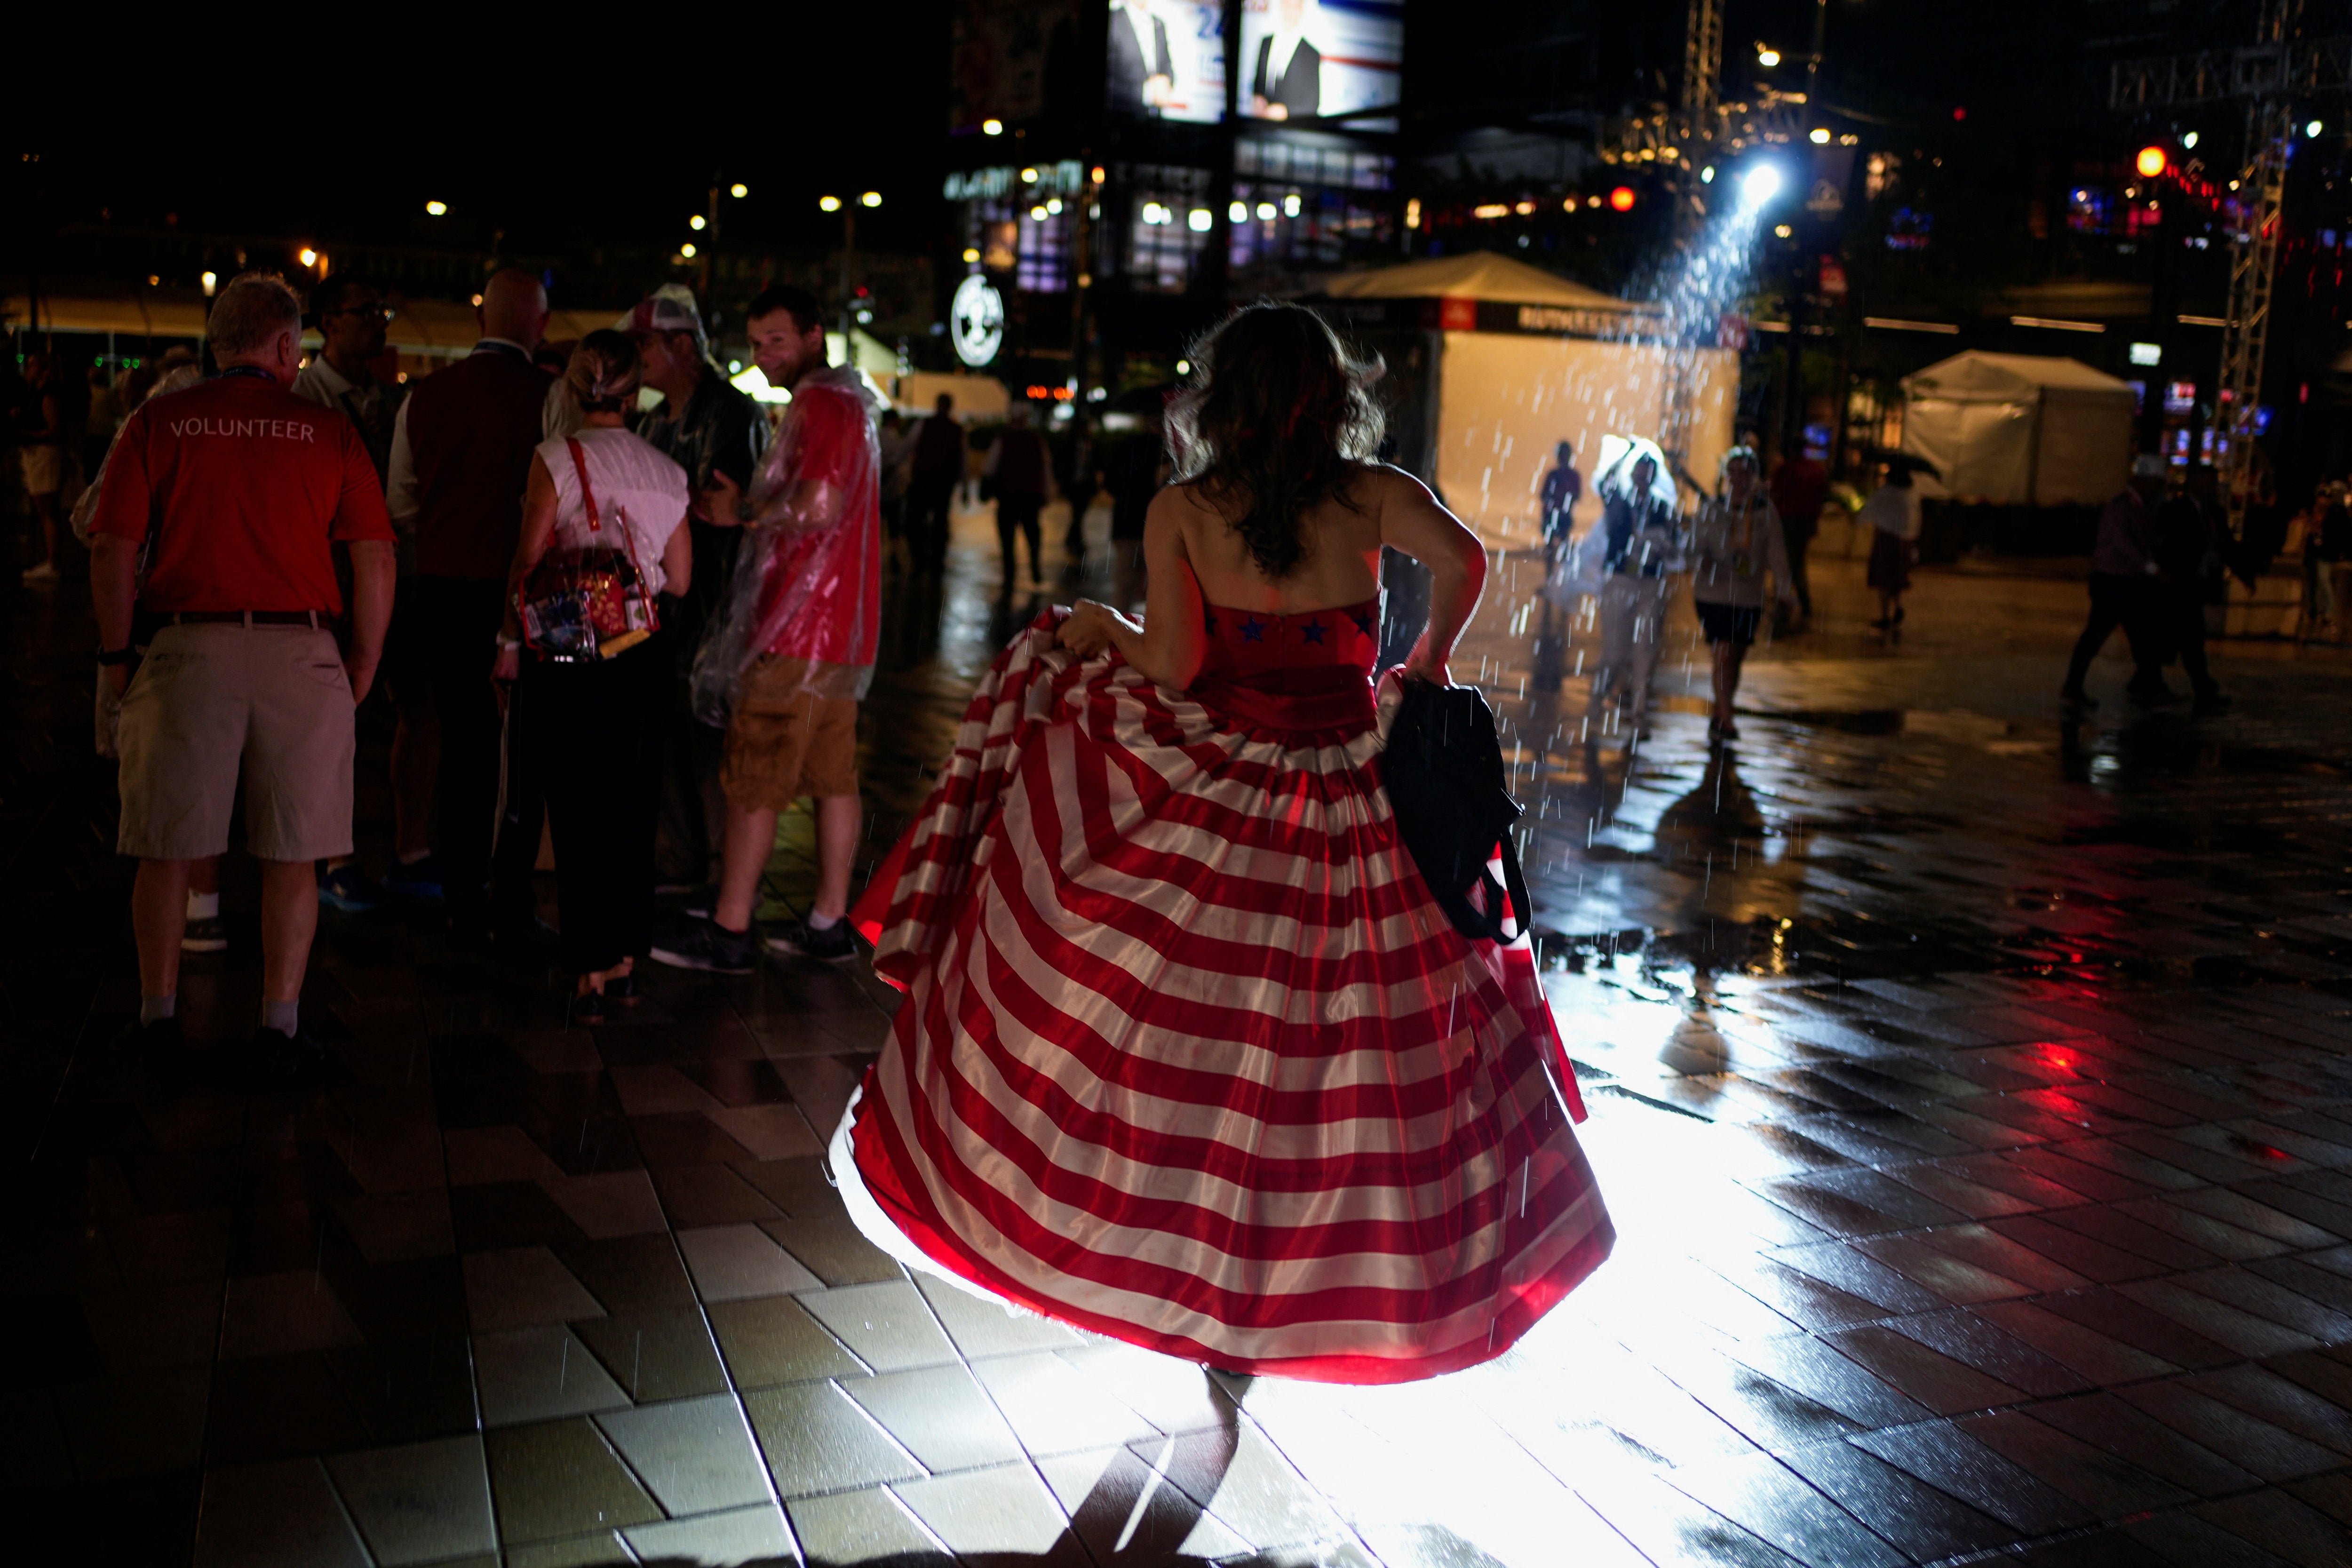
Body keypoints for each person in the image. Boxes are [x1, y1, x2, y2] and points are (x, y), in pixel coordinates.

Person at [833, 302, 1613, 1380]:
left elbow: (1173, 670)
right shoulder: (1372, 493)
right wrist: (1424, 662)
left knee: (1188, 1015)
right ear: (1332, 395)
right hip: (1350, 785)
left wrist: (1101, 630)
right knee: (1349, 1031)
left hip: (1228, 781)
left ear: (1223, 398)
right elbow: (1469, 559)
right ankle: (1316, 1263)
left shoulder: (1182, 511)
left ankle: (1179, 1241)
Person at [88, 272, 395, 1075]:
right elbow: (375, 553)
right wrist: (362, 656)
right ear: (288, 346)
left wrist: (117, 653)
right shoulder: (328, 432)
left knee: (165, 847)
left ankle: (157, 1018)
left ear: (216, 345)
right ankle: (280, 1026)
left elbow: (112, 546)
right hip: (301, 648)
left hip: (186, 648)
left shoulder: (158, 422)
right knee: (294, 855)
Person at [653, 284, 880, 973]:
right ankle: (827, 922)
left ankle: (729, 929)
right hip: (839, 635)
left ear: (815, 336)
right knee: (831, 775)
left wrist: (742, 508)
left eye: (776, 341)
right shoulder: (850, 402)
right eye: (755, 343)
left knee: (754, 776)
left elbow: (817, 507)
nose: (763, 356)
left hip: (798, 631)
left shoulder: (821, 403)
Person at [493, 334, 693, 1017]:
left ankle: (588, 974)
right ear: (635, 396)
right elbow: (684, 578)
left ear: (572, 391)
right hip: (645, 650)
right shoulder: (667, 469)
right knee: (633, 807)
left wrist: (507, 641)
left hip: (572, 651)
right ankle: (627, 959)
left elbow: (527, 560)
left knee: (576, 806)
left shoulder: (555, 459)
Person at [386, 269, 555, 947]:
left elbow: (400, 501)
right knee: (523, 749)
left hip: (446, 583)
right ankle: (511, 896)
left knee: (463, 741)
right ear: (538, 325)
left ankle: (459, 891)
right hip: (525, 590)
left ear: (481, 320)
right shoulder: (549, 398)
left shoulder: (425, 396)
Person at [620, 285, 770, 896]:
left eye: (644, 345)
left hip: (715, 606)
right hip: (668, 605)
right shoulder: (657, 417)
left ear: (682, 345)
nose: (639, 358)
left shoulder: (730, 412)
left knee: (710, 740)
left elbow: (720, 508)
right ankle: (682, 856)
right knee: (669, 735)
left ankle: (717, 868)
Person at [295, 272, 417, 913]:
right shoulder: (307, 396)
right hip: (329, 578)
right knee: (329, 721)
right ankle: (327, 856)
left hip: (374, 573)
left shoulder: (386, 397)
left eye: (382, 308)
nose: (380, 320)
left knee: (366, 717)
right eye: (365, 310)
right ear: (328, 323)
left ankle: (350, 849)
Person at [1690, 446, 1796, 742]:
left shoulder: (1764, 513)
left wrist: (1786, 590)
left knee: (1734, 655)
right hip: (1714, 592)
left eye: (1745, 471)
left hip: (1749, 596)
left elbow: (1777, 554)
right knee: (1723, 652)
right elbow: (1694, 545)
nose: (1739, 478)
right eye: (1734, 472)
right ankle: (1727, 717)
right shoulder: (1713, 508)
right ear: (1727, 476)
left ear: (1754, 475)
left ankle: (1721, 710)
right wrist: (1704, 559)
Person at [1584, 441, 1683, 737]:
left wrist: (1662, 547)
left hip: (1649, 582)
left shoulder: (1662, 508)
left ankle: (1639, 714)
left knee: (1645, 651)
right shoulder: (1619, 501)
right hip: (1620, 580)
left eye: (1648, 471)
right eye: (1638, 470)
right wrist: (1626, 454)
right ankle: (1597, 699)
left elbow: (1677, 546)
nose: (1643, 476)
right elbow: (1604, 483)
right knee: (1614, 651)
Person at [2060, 454, 2164, 711]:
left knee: (2135, 636)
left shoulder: (2136, 505)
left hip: (2124, 581)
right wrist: (2149, 566)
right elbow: (2122, 542)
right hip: (2114, 582)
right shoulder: (2122, 507)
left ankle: (2148, 684)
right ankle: (2074, 688)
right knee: (2100, 636)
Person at [2150, 465, 2230, 714]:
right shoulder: (2177, 510)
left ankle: (2199, 686)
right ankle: (2201, 687)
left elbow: (2222, 543)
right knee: (2188, 637)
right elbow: (2166, 543)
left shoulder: (2212, 512)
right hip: (2178, 583)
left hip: (2193, 585)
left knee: (2189, 637)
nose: (2212, 488)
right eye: (2208, 482)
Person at [1101, 403, 1168, 611]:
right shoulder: (1166, 451)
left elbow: (1109, 483)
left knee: (1124, 584)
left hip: (1126, 521)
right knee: (1156, 587)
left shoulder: (1125, 447)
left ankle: (1119, 629)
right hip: (1157, 526)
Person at [984, 403, 1051, 592]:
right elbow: (1045, 469)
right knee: (1033, 535)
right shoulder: (1037, 441)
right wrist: (1046, 493)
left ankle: (1009, 575)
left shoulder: (1003, 439)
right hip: (1031, 497)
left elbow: (990, 467)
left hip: (1008, 496)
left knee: (1007, 538)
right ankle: (1035, 571)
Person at [15, 350, 68, 582]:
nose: (28, 368)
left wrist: (28, 433)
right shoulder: (37, 395)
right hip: (40, 455)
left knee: (47, 511)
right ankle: (52, 560)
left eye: (34, 365)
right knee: (46, 510)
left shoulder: (46, 396)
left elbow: (55, 429)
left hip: (44, 456)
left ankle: (53, 563)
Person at [1858, 460, 1922, 628]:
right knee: (1896, 578)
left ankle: (1885, 616)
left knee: (1883, 579)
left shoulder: (1885, 493)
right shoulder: (1912, 494)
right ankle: (1898, 606)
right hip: (1905, 540)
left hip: (1886, 539)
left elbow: (1868, 512)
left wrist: (1859, 520)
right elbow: (1917, 520)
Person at [906, 393, 964, 574]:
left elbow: (908, 447)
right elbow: (962, 458)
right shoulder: (956, 429)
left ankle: (920, 559)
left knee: (919, 518)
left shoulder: (925, 424)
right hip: (944, 481)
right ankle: (936, 560)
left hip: (925, 478)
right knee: (939, 520)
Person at [1767, 446, 1828, 619]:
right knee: (1797, 562)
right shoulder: (1816, 470)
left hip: (1787, 521)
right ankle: (1801, 602)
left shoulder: (1786, 469)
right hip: (1806, 523)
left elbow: (1775, 492)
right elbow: (1822, 494)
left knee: (1786, 563)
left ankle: (1786, 603)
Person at [1249, 0, 1323, 119]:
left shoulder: (1311, 54)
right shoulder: (1266, 44)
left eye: (1296, 7)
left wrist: (1287, 112)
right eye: (1288, 5)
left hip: (1292, 130)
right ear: (1282, 6)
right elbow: (1259, 84)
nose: (1291, 11)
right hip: (1261, 126)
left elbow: (1313, 104)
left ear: (1302, 10)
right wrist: (1258, 99)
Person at [1107, 0, 1174, 116]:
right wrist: (1145, 93)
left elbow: (1167, 66)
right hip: (1122, 119)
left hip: (1155, 120)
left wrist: (1165, 83)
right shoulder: (1113, 20)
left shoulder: (1158, 24)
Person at [1055, 410, 1099, 567]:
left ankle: (1073, 540)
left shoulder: (1089, 444)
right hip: (1075, 484)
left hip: (1085, 484)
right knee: (1078, 513)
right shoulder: (1071, 444)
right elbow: (1062, 463)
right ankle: (1076, 541)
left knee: (1079, 513)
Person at [1538, 439, 1582, 569]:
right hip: (1555, 515)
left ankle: (1557, 578)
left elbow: (1576, 495)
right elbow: (1544, 495)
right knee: (1553, 548)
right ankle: (1554, 579)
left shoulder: (1568, 475)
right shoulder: (1557, 475)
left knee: (1558, 547)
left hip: (1560, 515)